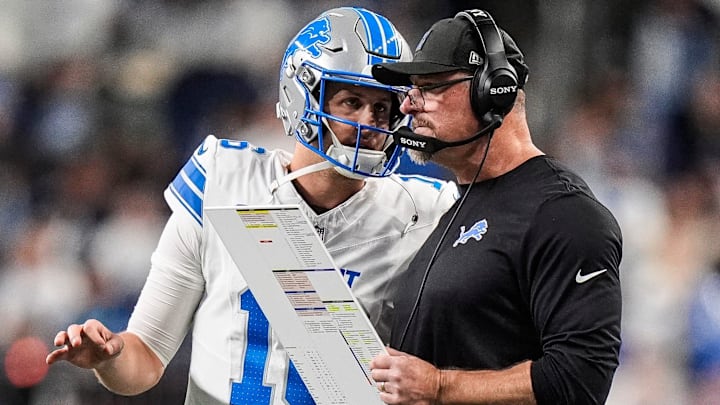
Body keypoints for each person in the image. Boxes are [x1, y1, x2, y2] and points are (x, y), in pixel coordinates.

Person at [45, 7, 458, 405]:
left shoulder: (423, 212)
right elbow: (145, 359)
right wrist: (110, 357)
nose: (370, 122)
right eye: (351, 102)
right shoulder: (224, 180)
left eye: (383, 107)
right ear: (303, 94)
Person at [368, 9, 623, 405]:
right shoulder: (456, 209)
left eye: (430, 87)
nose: (407, 106)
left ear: (493, 90)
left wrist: (439, 386)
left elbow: (581, 377)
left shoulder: (565, 213)